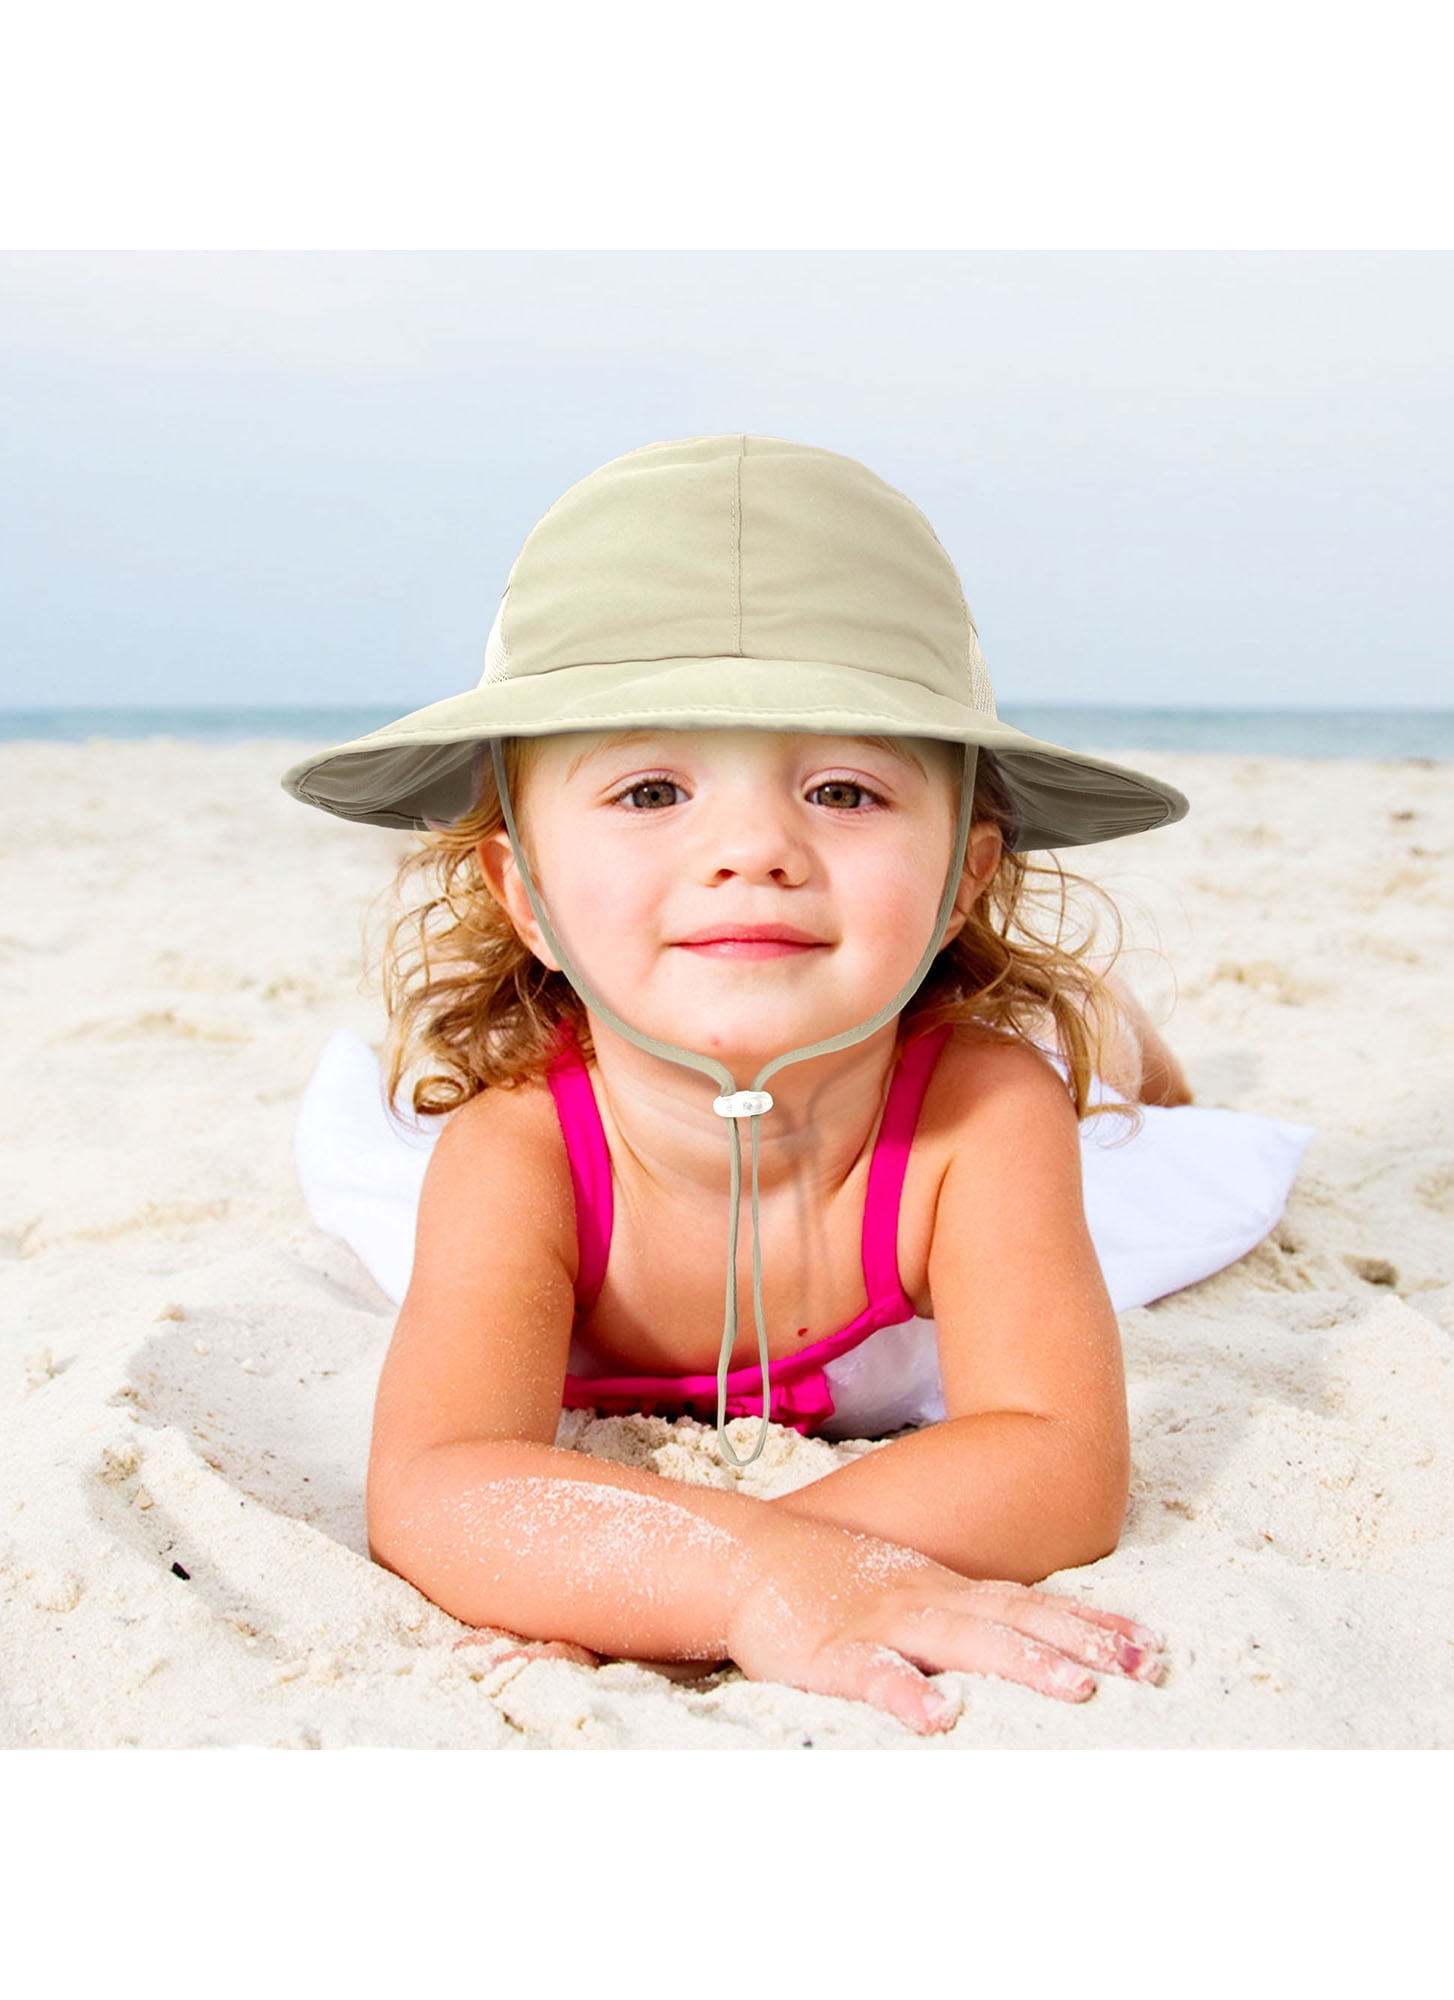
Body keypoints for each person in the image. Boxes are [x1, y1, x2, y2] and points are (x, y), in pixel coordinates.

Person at [282, 434, 1307, 1734]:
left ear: (962, 879)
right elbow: (435, 1485)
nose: (754, 848)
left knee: (1134, 1115)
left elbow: (1060, 1458)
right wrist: (740, 1572)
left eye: (843, 788)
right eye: (652, 787)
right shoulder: (521, 1145)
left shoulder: (979, 1120)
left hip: (958, 1078)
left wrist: (766, 1553)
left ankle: (1110, 1018)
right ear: (524, 892)